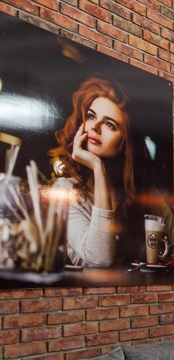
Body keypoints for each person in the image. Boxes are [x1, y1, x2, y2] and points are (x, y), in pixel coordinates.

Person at [48, 77, 140, 267]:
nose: (95, 127)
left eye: (109, 125)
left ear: (125, 144)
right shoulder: (65, 189)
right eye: (91, 116)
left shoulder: (139, 193)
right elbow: (100, 258)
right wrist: (98, 167)